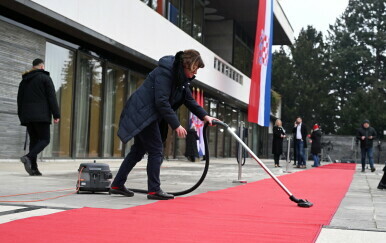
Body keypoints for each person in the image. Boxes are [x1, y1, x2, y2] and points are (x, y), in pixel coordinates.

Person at [110, 50, 218, 200]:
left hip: (150, 114)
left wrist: (205, 116)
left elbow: (189, 100)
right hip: (143, 113)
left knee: (138, 151)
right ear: (187, 65)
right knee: (156, 150)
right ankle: (154, 190)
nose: (196, 73)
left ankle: (117, 185)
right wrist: (176, 124)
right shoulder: (165, 73)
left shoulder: (181, 79)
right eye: (195, 69)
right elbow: (161, 101)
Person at [17, 58, 60, 176]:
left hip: (28, 116)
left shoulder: (24, 81)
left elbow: (19, 100)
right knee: (45, 139)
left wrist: (22, 116)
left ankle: (34, 169)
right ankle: (28, 157)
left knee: (34, 141)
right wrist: (56, 114)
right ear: (42, 66)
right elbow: (52, 97)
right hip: (41, 116)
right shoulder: (45, 78)